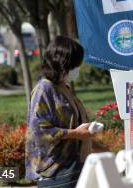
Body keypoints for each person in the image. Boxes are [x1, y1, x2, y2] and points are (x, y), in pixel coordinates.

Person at [25, 36, 104, 187]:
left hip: (75, 167)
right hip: (56, 172)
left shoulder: (64, 87)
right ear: (64, 63)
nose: (78, 69)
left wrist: (101, 148)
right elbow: (38, 131)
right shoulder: (44, 89)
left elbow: (78, 126)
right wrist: (75, 133)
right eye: (76, 65)